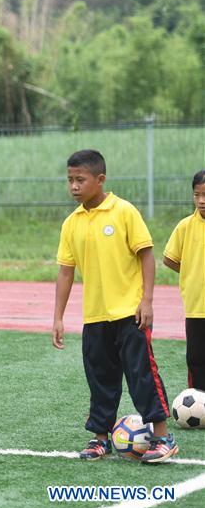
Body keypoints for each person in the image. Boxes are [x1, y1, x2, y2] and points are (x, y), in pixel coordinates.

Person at [52, 149, 176, 464]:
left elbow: (146, 255)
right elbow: (66, 271)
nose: (74, 186)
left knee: (141, 375)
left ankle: (162, 437)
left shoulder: (123, 212)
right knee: (100, 379)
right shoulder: (72, 223)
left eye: (80, 179)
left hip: (130, 313)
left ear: (100, 179)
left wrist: (146, 300)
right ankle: (99, 439)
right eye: (70, 180)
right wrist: (58, 317)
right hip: (95, 316)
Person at [163, 170, 205, 391]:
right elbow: (169, 259)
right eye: (197, 195)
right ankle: (200, 404)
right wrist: (191, 270)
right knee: (196, 359)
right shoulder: (185, 226)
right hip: (196, 307)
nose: (201, 201)